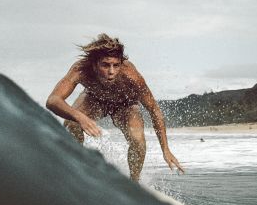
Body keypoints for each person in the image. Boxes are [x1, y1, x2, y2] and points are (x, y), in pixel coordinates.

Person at [46, 33, 184, 181]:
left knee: (137, 140)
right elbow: (53, 100)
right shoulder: (81, 70)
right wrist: (80, 117)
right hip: (94, 99)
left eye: (116, 65)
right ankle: (75, 168)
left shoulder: (131, 76)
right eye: (105, 65)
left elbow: (154, 109)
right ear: (94, 64)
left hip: (126, 105)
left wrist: (165, 149)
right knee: (72, 123)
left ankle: (134, 183)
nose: (111, 71)